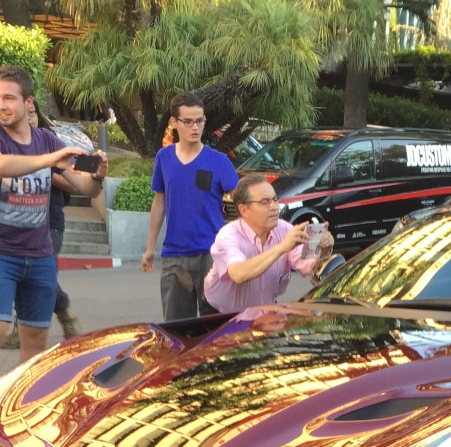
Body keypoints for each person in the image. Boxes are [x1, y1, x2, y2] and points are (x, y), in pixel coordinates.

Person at [0, 65, 104, 405]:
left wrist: (96, 176)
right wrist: (50, 158)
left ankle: (22, 412)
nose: (0, 106)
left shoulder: (46, 140)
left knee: (36, 340)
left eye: (8, 98)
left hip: (38, 255)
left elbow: (85, 186)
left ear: (28, 103)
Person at [141, 92, 239, 320]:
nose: (195, 127)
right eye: (188, 121)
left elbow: (241, 201)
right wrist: (149, 247)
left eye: (200, 120)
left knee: (214, 329)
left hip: (212, 255)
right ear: (174, 122)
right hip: (174, 256)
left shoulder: (219, 161)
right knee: (177, 331)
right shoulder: (164, 157)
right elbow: (160, 201)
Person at [2, 102, 81, 350]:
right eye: (26, 114)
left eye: (34, 113)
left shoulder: (52, 144)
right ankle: (20, 329)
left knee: (43, 275)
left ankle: (66, 314)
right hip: (17, 221)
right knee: (22, 274)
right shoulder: (6, 143)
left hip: (50, 222)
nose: (30, 118)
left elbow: (75, 183)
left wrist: (42, 165)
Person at [203, 174, 334, 315]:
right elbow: (238, 274)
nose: (274, 207)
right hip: (222, 314)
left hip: (265, 312)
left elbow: (309, 266)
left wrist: (323, 248)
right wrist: (281, 248)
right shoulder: (228, 235)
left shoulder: (284, 229)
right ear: (244, 210)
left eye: (275, 199)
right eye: (265, 202)